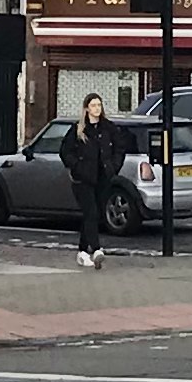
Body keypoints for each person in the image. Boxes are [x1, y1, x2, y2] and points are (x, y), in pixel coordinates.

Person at [61, 95, 126, 269]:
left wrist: (113, 167)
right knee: (91, 213)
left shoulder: (109, 128)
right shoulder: (78, 129)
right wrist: (77, 166)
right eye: (93, 105)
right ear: (87, 108)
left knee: (92, 214)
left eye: (99, 105)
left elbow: (120, 149)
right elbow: (65, 152)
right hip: (82, 178)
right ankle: (97, 249)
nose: (97, 108)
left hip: (103, 176)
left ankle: (82, 252)